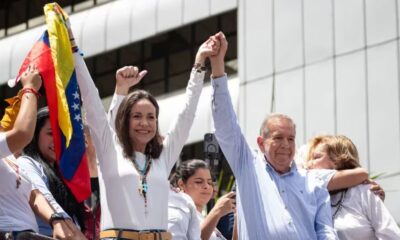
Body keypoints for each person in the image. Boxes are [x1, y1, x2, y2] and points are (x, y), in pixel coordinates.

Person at [72, 26, 220, 239]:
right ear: (125, 120)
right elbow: (91, 100)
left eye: (151, 117)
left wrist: (199, 64)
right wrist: (72, 48)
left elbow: (186, 115)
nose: (145, 123)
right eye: (137, 116)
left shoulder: (162, 158)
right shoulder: (109, 151)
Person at [210, 32, 339, 239]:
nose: (285, 145)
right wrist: (218, 68)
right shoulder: (248, 167)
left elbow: (324, 229)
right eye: (278, 138)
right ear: (261, 143)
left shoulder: (313, 182)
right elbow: (226, 125)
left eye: (291, 139)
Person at [0, 65, 82, 239]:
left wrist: (56, 220)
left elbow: (34, 195)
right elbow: (22, 133)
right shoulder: (26, 160)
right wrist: (29, 89)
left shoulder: (11, 160)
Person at [306, 135, 400, 239]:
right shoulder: (311, 199)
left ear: (338, 159)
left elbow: (390, 235)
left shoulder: (364, 191)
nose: (309, 164)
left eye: (316, 157)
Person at [20, 107, 86, 238]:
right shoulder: (26, 163)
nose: (57, 140)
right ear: (35, 134)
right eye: (51, 133)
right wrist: (61, 222)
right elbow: (42, 196)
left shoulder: (64, 174)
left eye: (63, 136)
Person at [170, 159, 236, 240]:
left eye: (209, 182)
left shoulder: (203, 219)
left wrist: (237, 217)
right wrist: (217, 212)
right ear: (181, 184)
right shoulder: (178, 214)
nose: (206, 186)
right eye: (198, 182)